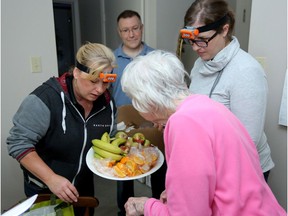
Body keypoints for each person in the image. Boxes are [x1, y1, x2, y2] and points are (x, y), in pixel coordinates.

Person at [121, 50, 286, 216]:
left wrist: (147, 206)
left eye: (135, 100)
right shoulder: (207, 105)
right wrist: (177, 193)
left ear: (149, 101)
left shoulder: (183, 123)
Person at [6, 42, 118, 216]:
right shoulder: (45, 99)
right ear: (76, 73)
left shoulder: (107, 103)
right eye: (94, 81)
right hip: (44, 188)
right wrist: (51, 179)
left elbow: (108, 137)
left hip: (83, 187)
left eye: (105, 83)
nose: (100, 89)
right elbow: (18, 143)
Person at [180, 0, 274, 181]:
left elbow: (247, 141)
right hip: (210, 163)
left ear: (224, 29)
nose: (195, 47)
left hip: (242, 170)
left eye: (202, 40)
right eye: (191, 40)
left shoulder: (246, 71)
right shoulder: (200, 63)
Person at [109, 10, 166, 216]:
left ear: (141, 29)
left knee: (159, 170)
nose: (131, 34)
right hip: (123, 128)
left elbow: (163, 92)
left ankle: (159, 210)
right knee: (124, 176)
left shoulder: (156, 58)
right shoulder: (111, 61)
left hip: (153, 126)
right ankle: (125, 212)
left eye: (135, 28)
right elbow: (104, 96)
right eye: (126, 30)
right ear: (119, 32)